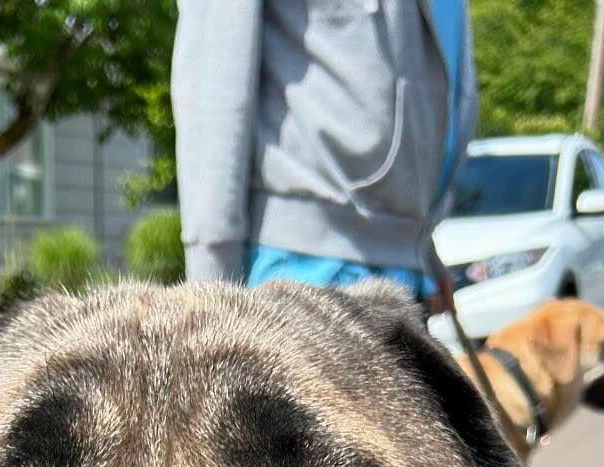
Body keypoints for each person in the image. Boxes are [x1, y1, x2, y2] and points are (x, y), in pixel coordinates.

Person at [171, 0, 478, 303]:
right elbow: (212, 86)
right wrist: (210, 290)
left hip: (406, 271)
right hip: (297, 269)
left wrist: (424, 255)